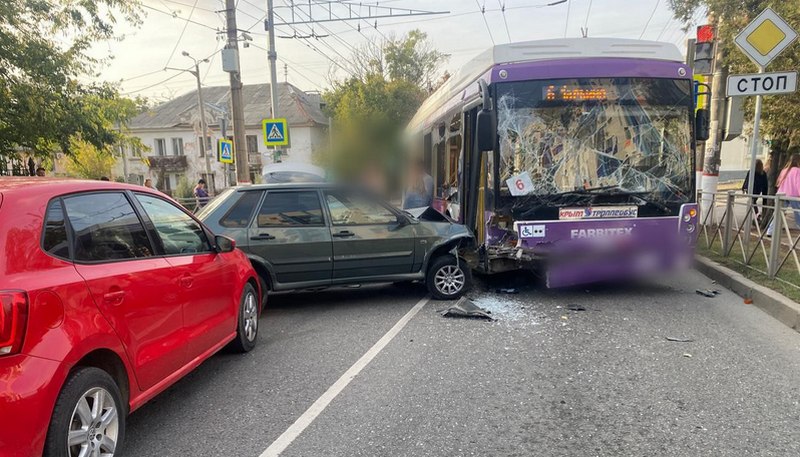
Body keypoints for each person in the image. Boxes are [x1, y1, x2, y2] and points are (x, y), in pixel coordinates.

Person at [767, 153, 800, 236]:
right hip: (793, 195)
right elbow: (798, 184)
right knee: (798, 213)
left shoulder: (784, 170)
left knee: (778, 214)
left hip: (781, 194)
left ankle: (770, 231)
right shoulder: (798, 171)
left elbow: (779, 183)